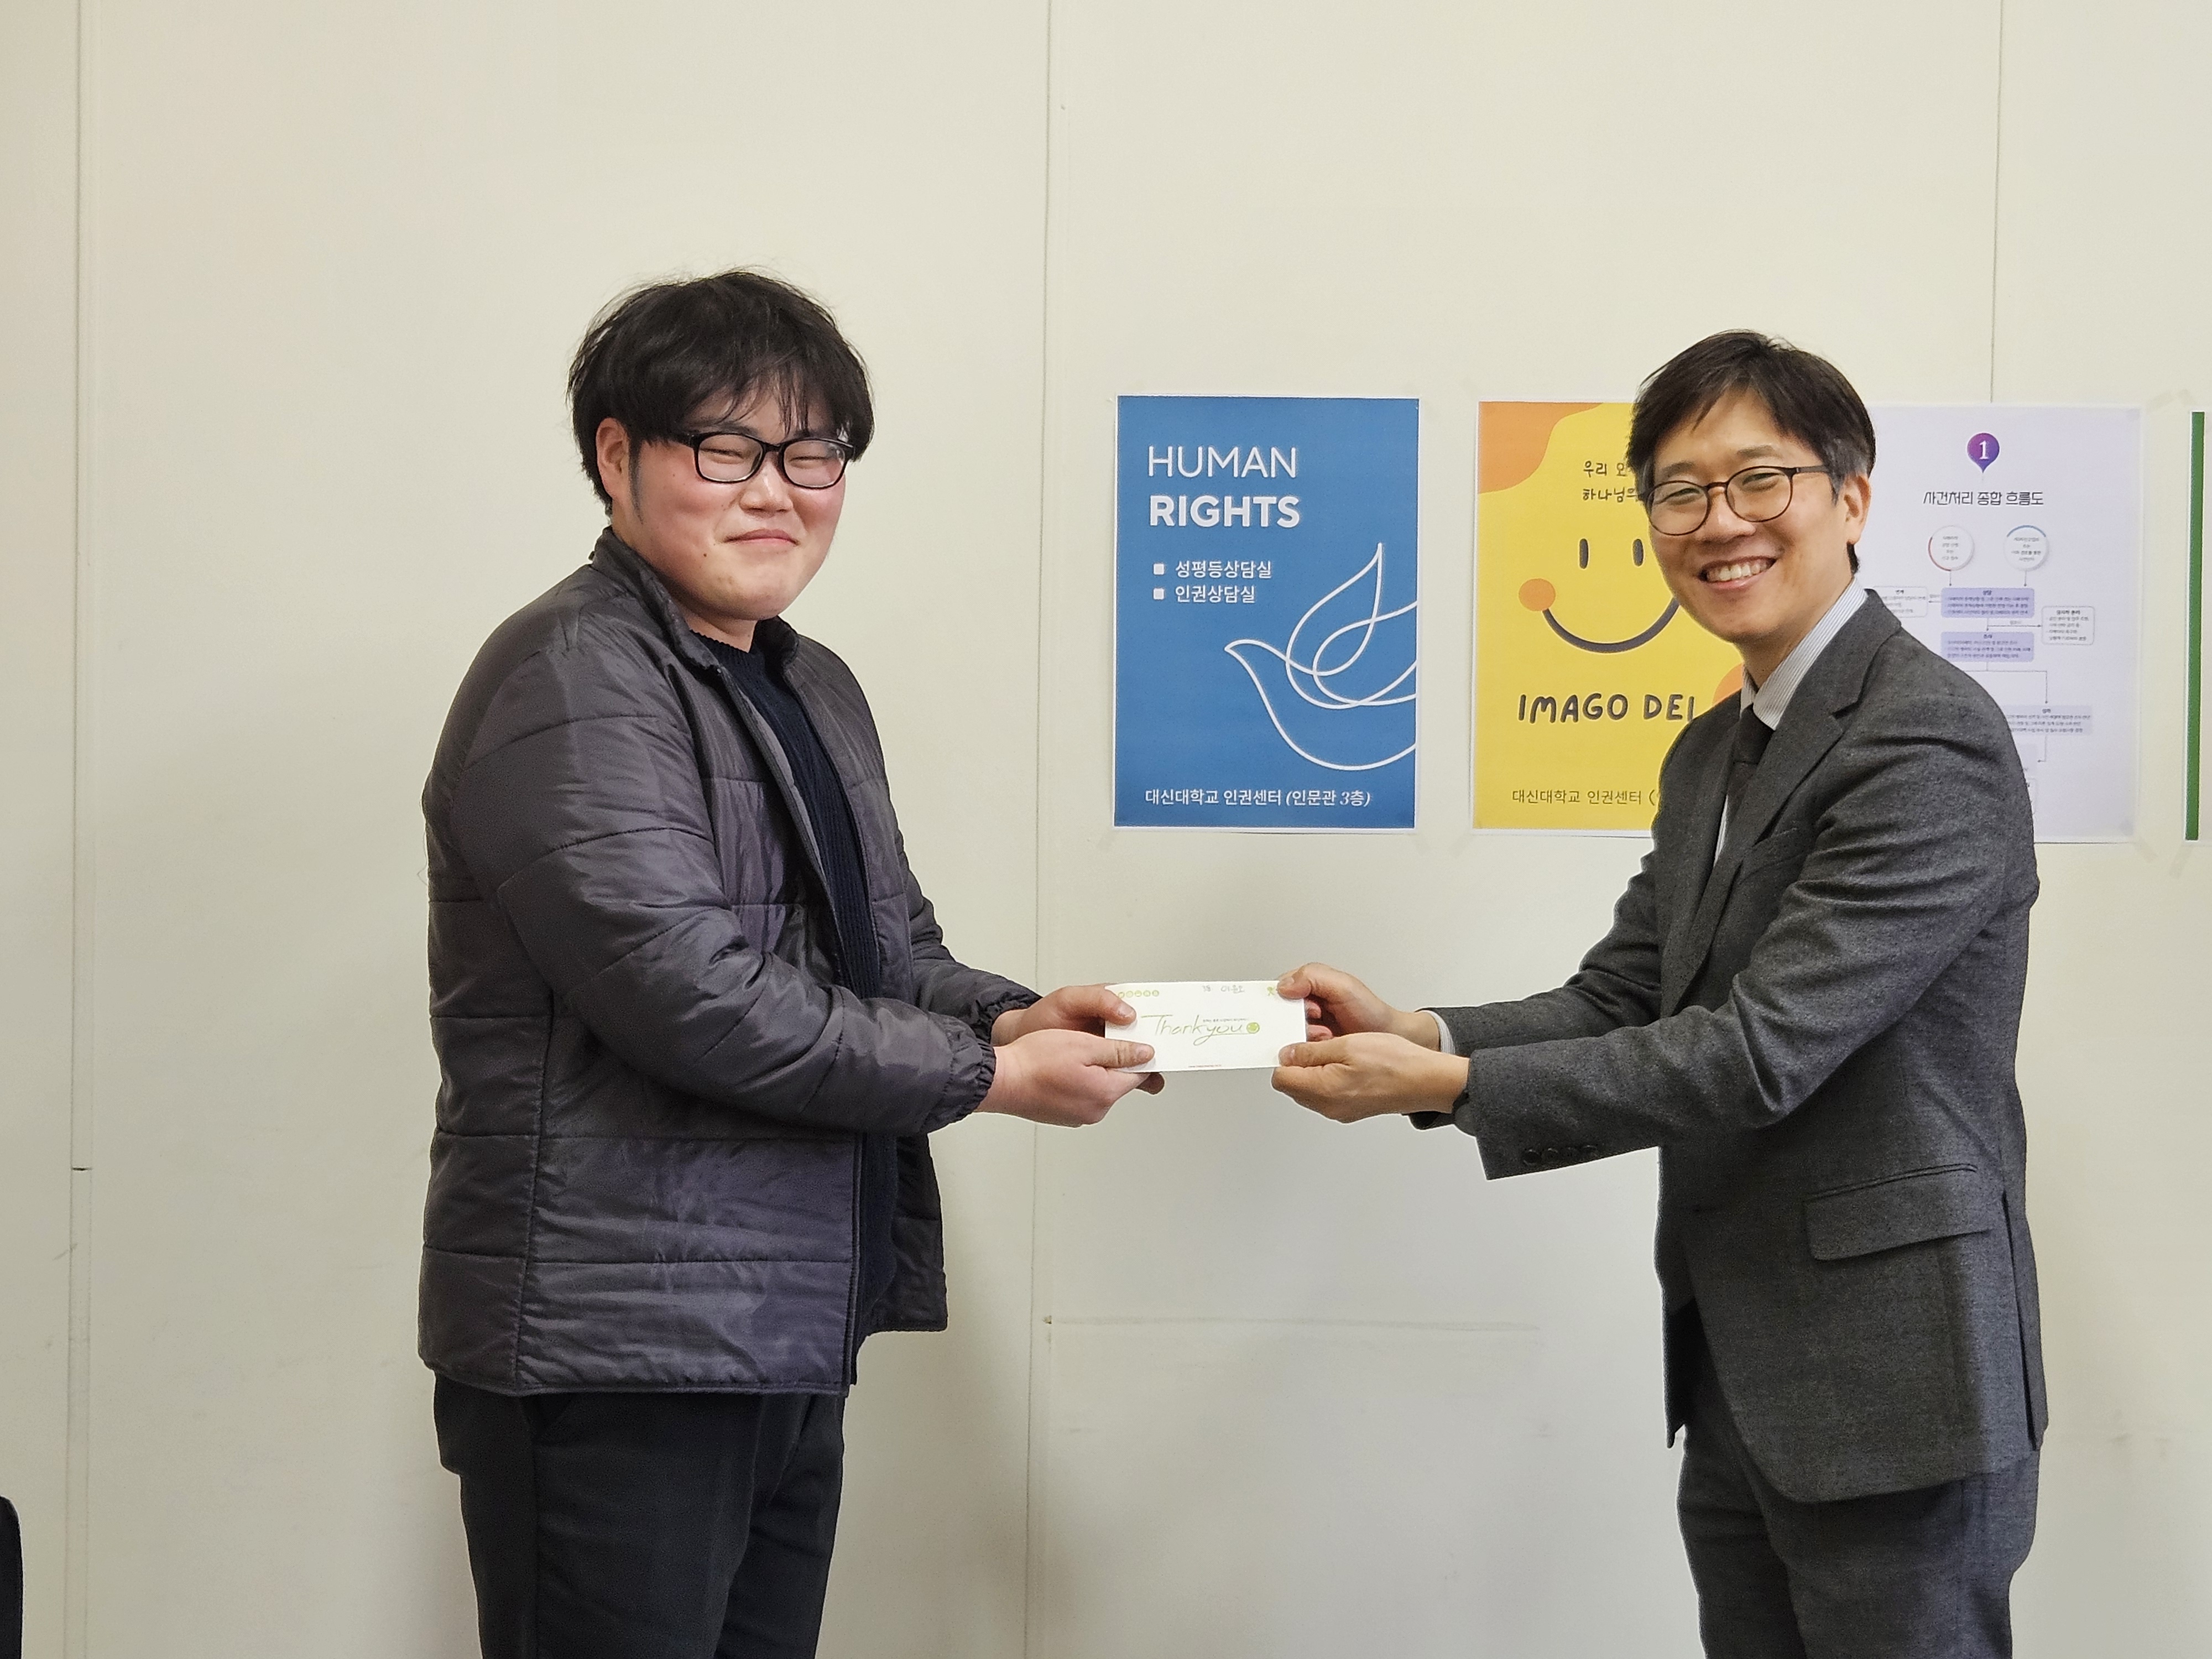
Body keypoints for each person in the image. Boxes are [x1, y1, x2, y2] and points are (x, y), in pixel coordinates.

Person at [420, 268, 1158, 1659]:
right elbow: (690, 995)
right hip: (619, 1345)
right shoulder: (574, 674)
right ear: (616, 458)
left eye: (811, 454)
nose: (776, 492)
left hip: (769, 1325)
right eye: (726, 449)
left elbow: (888, 952)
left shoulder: (803, 680)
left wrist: (1015, 1016)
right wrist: (989, 1076)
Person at [1272, 331, 2044, 1658]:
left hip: (1893, 1381)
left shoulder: (1923, 733)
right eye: (1678, 492)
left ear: (1850, 497)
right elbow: (1627, 993)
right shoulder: (1708, 751)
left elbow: (1759, 1054)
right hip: (1740, 1366)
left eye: (1758, 479)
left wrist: (1452, 1085)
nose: (1717, 523)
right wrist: (1418, 1032)